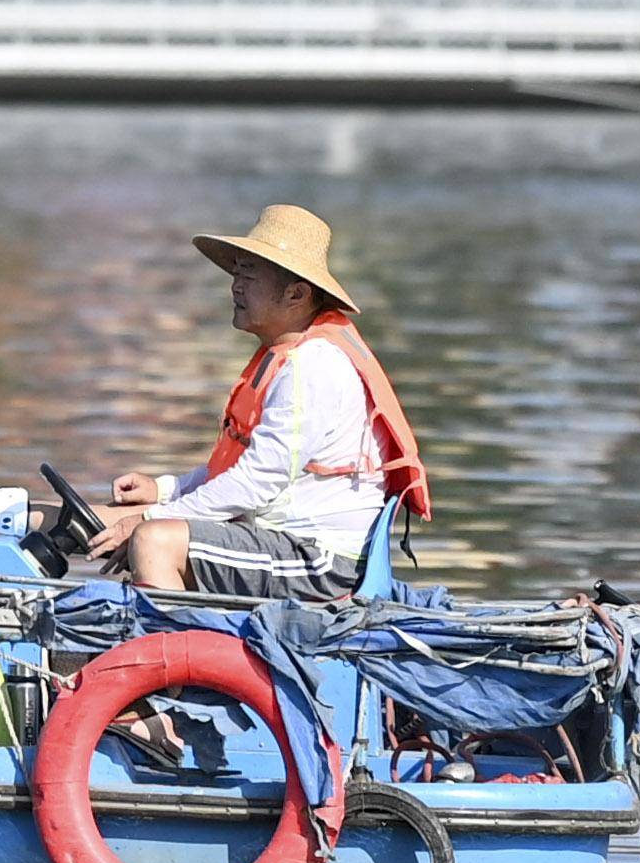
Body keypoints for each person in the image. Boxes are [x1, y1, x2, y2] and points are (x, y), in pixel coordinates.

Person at [99, 201, 429, 602]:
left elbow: (256, 482)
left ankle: (168, 658)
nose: (235, 285)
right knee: (107, 520)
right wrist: (165, 490)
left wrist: (151, 517)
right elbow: (241, 469)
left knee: (154, 540)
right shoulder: (283, 354)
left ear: (296, 293)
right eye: (236, 272)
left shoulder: (312, 366)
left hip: (322, 562)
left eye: (249, 275)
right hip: (280, 539)